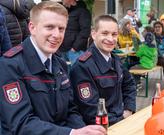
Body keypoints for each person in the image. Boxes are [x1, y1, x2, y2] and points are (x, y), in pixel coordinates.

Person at [0, 1, 106, 135]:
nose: (56, 35)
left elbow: (70, 110)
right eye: (49, 27)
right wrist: (72, 133)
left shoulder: (59, 64)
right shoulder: (10, 65)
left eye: (61, 29)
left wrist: (82, 131)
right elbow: (21, 124)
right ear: (32, 28)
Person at [70, 15, 137, 126]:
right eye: (105, 33)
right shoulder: (82, 67)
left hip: (121, 121)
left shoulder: (115, 60)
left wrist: (129, 109)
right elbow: (91, 112)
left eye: (114, 34)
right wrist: (122, 119)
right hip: (100, 127)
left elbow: (129, 84)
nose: (110, 39)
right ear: (94, 34)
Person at [59, 0, 92, 65]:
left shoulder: (83, 11)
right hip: (62, 49)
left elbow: (85, 31)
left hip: (75, 51)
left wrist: (75, 47)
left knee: (78, 72)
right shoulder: (67, 12)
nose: (62, 1)